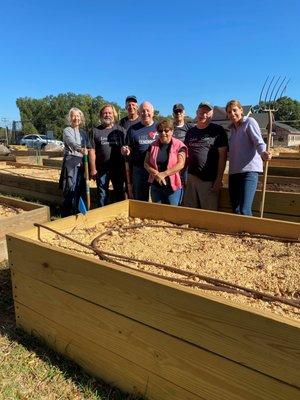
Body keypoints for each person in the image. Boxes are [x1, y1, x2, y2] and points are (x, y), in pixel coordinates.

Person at [226, 99, 272, 216]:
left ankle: (248, 232)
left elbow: (259, 142)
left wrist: (263, 153)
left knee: (244, 208)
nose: (232, 114)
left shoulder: (249, 122)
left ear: (241, 110)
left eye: (235, 110)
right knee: (235, 207)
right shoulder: (231, 129)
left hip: (249, 172)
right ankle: (238, 232)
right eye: (229, 112)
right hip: (234, 172)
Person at [182, 102, 228, 210]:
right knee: (190, 208)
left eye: (207, 113)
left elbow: (223, 156)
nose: (204, 115)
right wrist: (182, 175)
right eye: (201, 112)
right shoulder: (190, 132)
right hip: (192, 177)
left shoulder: (218, 131)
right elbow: (186, 155)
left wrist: (218, 179)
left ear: (212, 114)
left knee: (209, 211)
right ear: (197, 113)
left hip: (209, 179)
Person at [89, 104, 126, 207]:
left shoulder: (120, 130)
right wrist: (93, 169)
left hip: (118, 168)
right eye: (105, 113)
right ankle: (103, 214)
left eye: (110, 113)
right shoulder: (95, 131)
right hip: (102, 169)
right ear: (101, 115)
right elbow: (92, 151)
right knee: (102, 193)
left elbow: (127, 146)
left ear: (113, 115)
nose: (107, 115)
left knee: (119, 192)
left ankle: (120, 212)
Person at [144, 119, 187, 205]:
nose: (163, 133)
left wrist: (164, 174)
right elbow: (146, 163)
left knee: (173, 213)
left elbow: (181, 164)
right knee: (157, 213)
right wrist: (156, 173)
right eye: (160, 131)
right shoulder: (152, 145)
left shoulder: (179, 145)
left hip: (172, 187)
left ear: (172, 131)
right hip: (156, 185)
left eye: (166, 130)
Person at [122, 101, 158, 201]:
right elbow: (128, 146)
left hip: (157, 169)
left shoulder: (159, 128)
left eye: (147, 110)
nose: (145, 113)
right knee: (140, 198)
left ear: (153, 112)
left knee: (158, 198)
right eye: (142, 111)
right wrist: (126, 150)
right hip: (139, 169)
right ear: (139, 112)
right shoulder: (132, 129)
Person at [59, 107, 91, 217]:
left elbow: (89, 146)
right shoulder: (67, 130)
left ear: (81, 118)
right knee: (70, 188)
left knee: (81, 187)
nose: (76, 118)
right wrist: (81, 149)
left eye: (78, 116)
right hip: (71, 162)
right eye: (74, 116)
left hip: (82, 163)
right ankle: (66, 215)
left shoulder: (83, 133)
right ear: (70, 118)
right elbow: (71, 142)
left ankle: (79, 213)